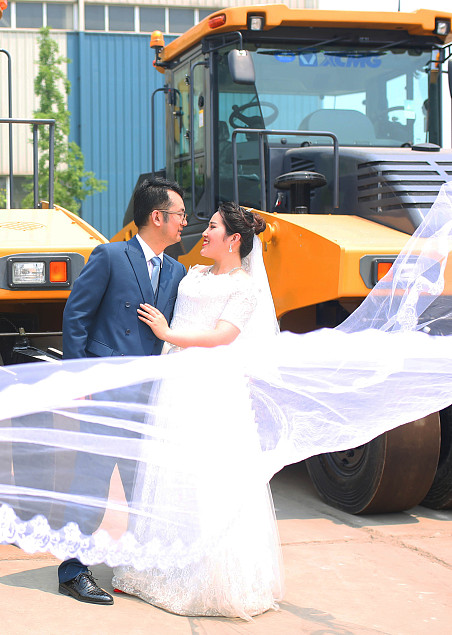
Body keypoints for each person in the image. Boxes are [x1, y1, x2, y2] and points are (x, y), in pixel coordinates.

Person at [111, 201, 283, 619]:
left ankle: (210, 577)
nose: (203, 233)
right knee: (169, 473)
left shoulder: (245, 287)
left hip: (211, 388)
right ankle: (158, 565)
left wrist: (169, 333)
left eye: (212, 227)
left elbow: (225, 336)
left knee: (210, 477)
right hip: (175, 382)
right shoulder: (194, 273)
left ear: (234, 240)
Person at [57, 177, 188, 605]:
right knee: (92, 481)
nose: (185, 222)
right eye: (180, 214)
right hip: (107, 389)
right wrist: (81, 380)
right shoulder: (111, 256)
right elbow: (77, 316)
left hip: (152, 396)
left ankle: (135, 566)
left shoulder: (177, 271)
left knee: (143, 485)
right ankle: (73, 570)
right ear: (157, 217)